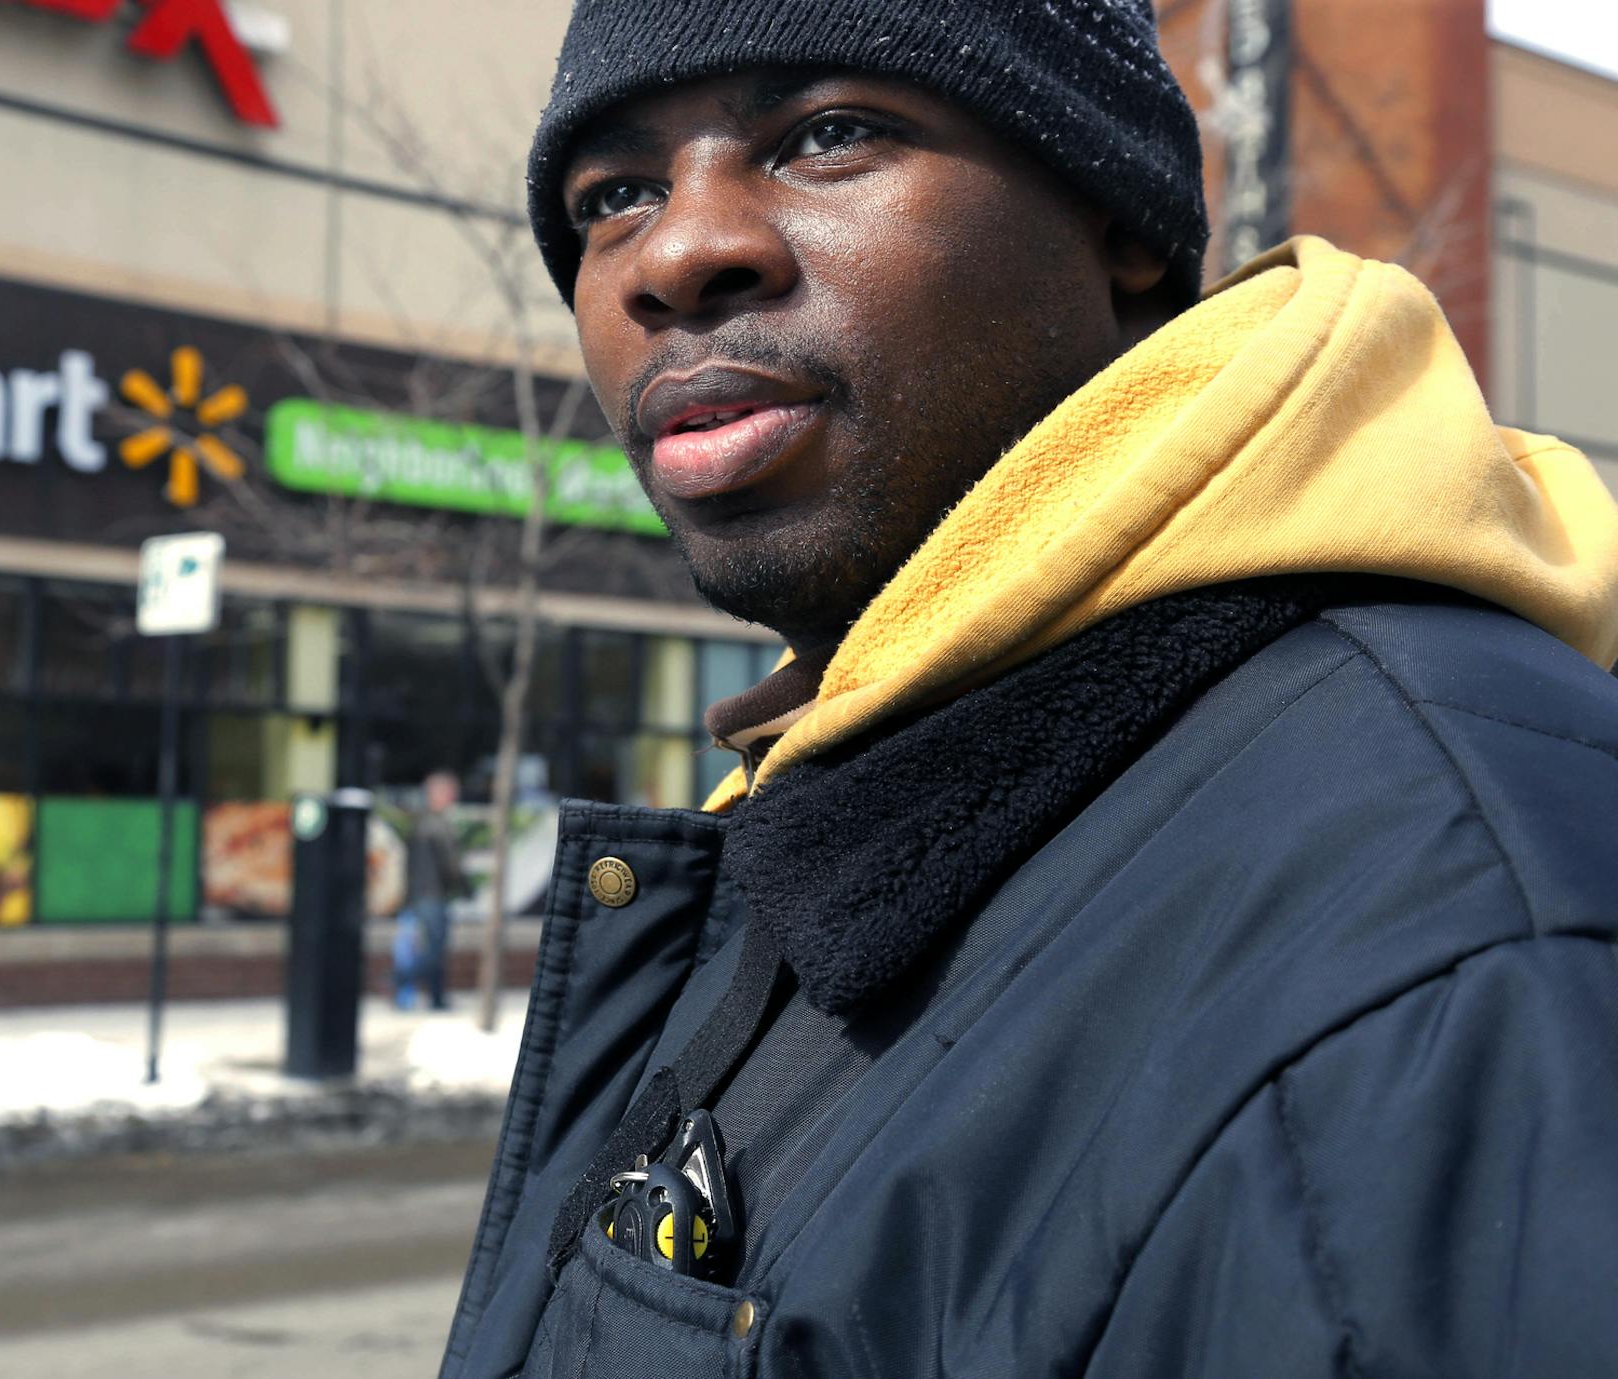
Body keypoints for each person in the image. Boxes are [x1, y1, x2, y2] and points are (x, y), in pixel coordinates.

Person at [439, 3, 1618, 1377]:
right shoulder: (846, 787)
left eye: (830, 133)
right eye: (615, 196)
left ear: (1119, 223)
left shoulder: (1459, 925)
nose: (680, 253)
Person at [402, 769, 467, 1011]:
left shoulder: (420, 823)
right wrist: (464, 887)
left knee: (432, 947)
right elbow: (451, 864)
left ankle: (436, 997)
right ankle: (400, 978)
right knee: (434, 949)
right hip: (433, 894)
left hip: (422, 893)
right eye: (451, 791)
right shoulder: (437, 824)